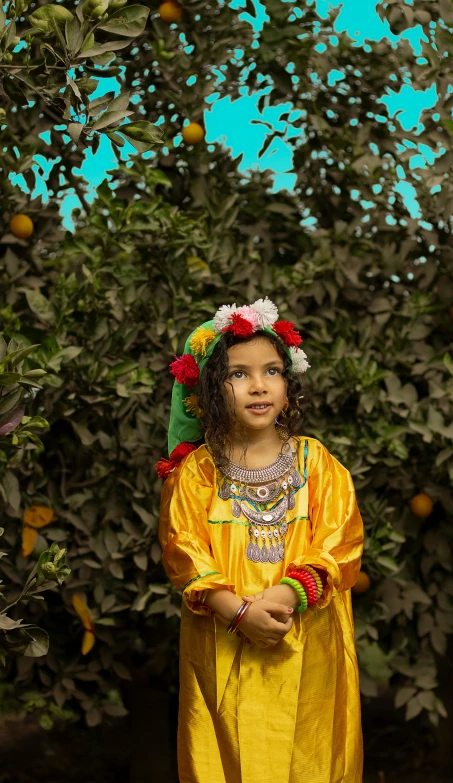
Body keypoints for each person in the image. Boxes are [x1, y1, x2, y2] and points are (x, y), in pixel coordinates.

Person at [157, 298, 365, 783]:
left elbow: (342, 539)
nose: (258, 385)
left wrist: (290, 591)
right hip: (224, 642)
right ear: (210, 390)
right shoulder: (197, 473)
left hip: (307, 644)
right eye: (238, 374)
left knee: (311, 757)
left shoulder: (317, 464)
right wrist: (238, 610)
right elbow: (182, 547)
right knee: (224, 757)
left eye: (272, 371)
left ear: (288, 386)